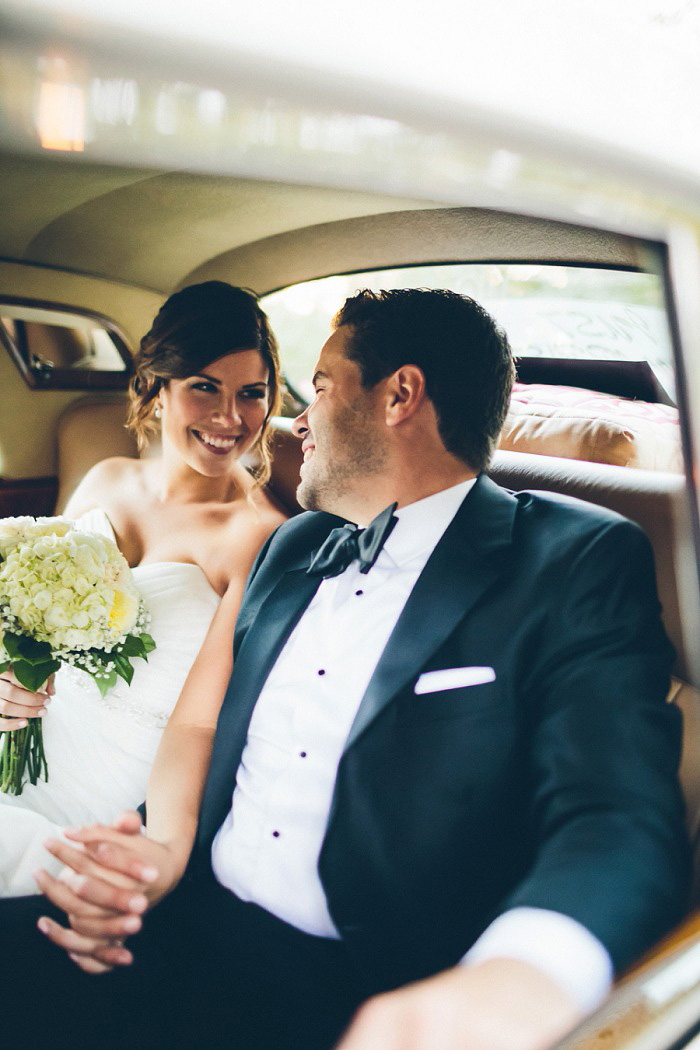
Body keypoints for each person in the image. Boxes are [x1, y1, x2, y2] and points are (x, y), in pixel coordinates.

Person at [24, 289, 690, 1050]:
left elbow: (615, 813)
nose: (293, 422)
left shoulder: (574, 559)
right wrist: (162, 852)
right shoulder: (291, 548)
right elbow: (202, 719)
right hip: (181, 923)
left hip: (366, 987)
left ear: (400, 394)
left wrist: (521, 979)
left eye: (321, 387)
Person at [0, 280, 286, 896]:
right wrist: (11, 677)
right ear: (157, 389)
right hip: (29, 736)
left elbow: (207, 726)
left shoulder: (258, 539)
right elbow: (29, 622)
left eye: (251, 394)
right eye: (205, 387)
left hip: (124, 777)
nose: (230, 418)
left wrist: (163, 847)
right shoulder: (104, 479)